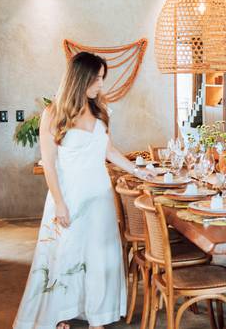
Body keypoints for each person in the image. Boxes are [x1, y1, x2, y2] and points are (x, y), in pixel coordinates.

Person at [14, 52, 141, 329]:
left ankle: (97, 316)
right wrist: (60, 203)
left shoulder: (100, 109)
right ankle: (60, 313)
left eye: (102, 78)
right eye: (97, 79)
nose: (101, 85)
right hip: (69, 197)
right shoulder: (53, 114)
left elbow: (109, 150)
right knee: (64, 255)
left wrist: (139, 171)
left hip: (100, 198)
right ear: (80, 78)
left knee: (98, 256)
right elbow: (49, 165)